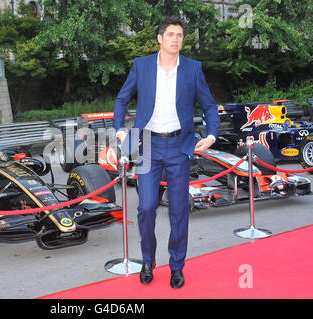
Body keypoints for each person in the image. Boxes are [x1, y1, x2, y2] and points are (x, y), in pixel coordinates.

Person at [113, 16, 219, 288]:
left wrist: (210, 135)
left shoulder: (193, 69)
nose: (175, 39)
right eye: (170, 34)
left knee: (179, 210)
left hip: (179, 146)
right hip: (147, 144)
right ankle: (148, 261)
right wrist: (120, 130)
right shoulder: (142, 65)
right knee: (146, 207)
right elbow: (122, 98)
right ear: (159, 38)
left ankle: (177, 266)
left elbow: (209, 105)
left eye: (180, 35)